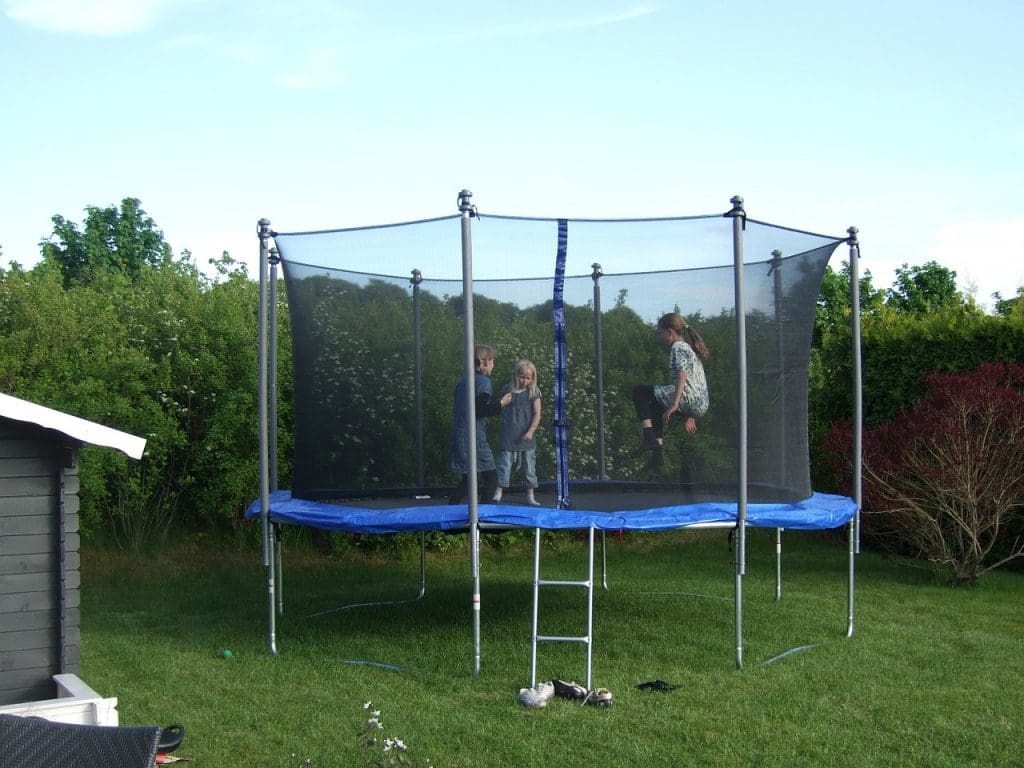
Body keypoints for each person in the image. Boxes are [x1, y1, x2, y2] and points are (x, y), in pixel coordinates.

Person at [631, 312, 710, 470]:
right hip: (700, 404)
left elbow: (682, 373)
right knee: (655, 404)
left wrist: (675, 403)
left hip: (688, 400)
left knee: (639, 391)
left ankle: (649, 437)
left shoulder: (678, 347)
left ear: (670, 332)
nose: (659, 337)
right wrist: (691, 414)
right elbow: (696, 381)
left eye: (660, 333)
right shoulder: (689, 348)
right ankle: (657, 455)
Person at [448, 344, 512, 504]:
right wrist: (501, 404)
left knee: (469, 479)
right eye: (492, 361)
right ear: (485, 362)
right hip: (473, 437)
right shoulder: (483, 382)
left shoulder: (464, 381)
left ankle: (450, 509)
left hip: (460, 434)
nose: (493, 365)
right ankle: (485, 513)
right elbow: (479, 410)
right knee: (490, 476)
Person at [494, 359, 543, 505]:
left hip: (526, 436)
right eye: (522, 377)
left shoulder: (534, 392)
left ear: (532, 378)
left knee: (529, 466)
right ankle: (499, 491)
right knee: (504, 464)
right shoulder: (508, 389)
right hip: (509, 434)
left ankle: (530, 495)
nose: (525, 381)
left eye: (528, 378)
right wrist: (503, 402)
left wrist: (531, 431)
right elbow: (500, 406)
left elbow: (537, 414)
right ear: (516, 375)